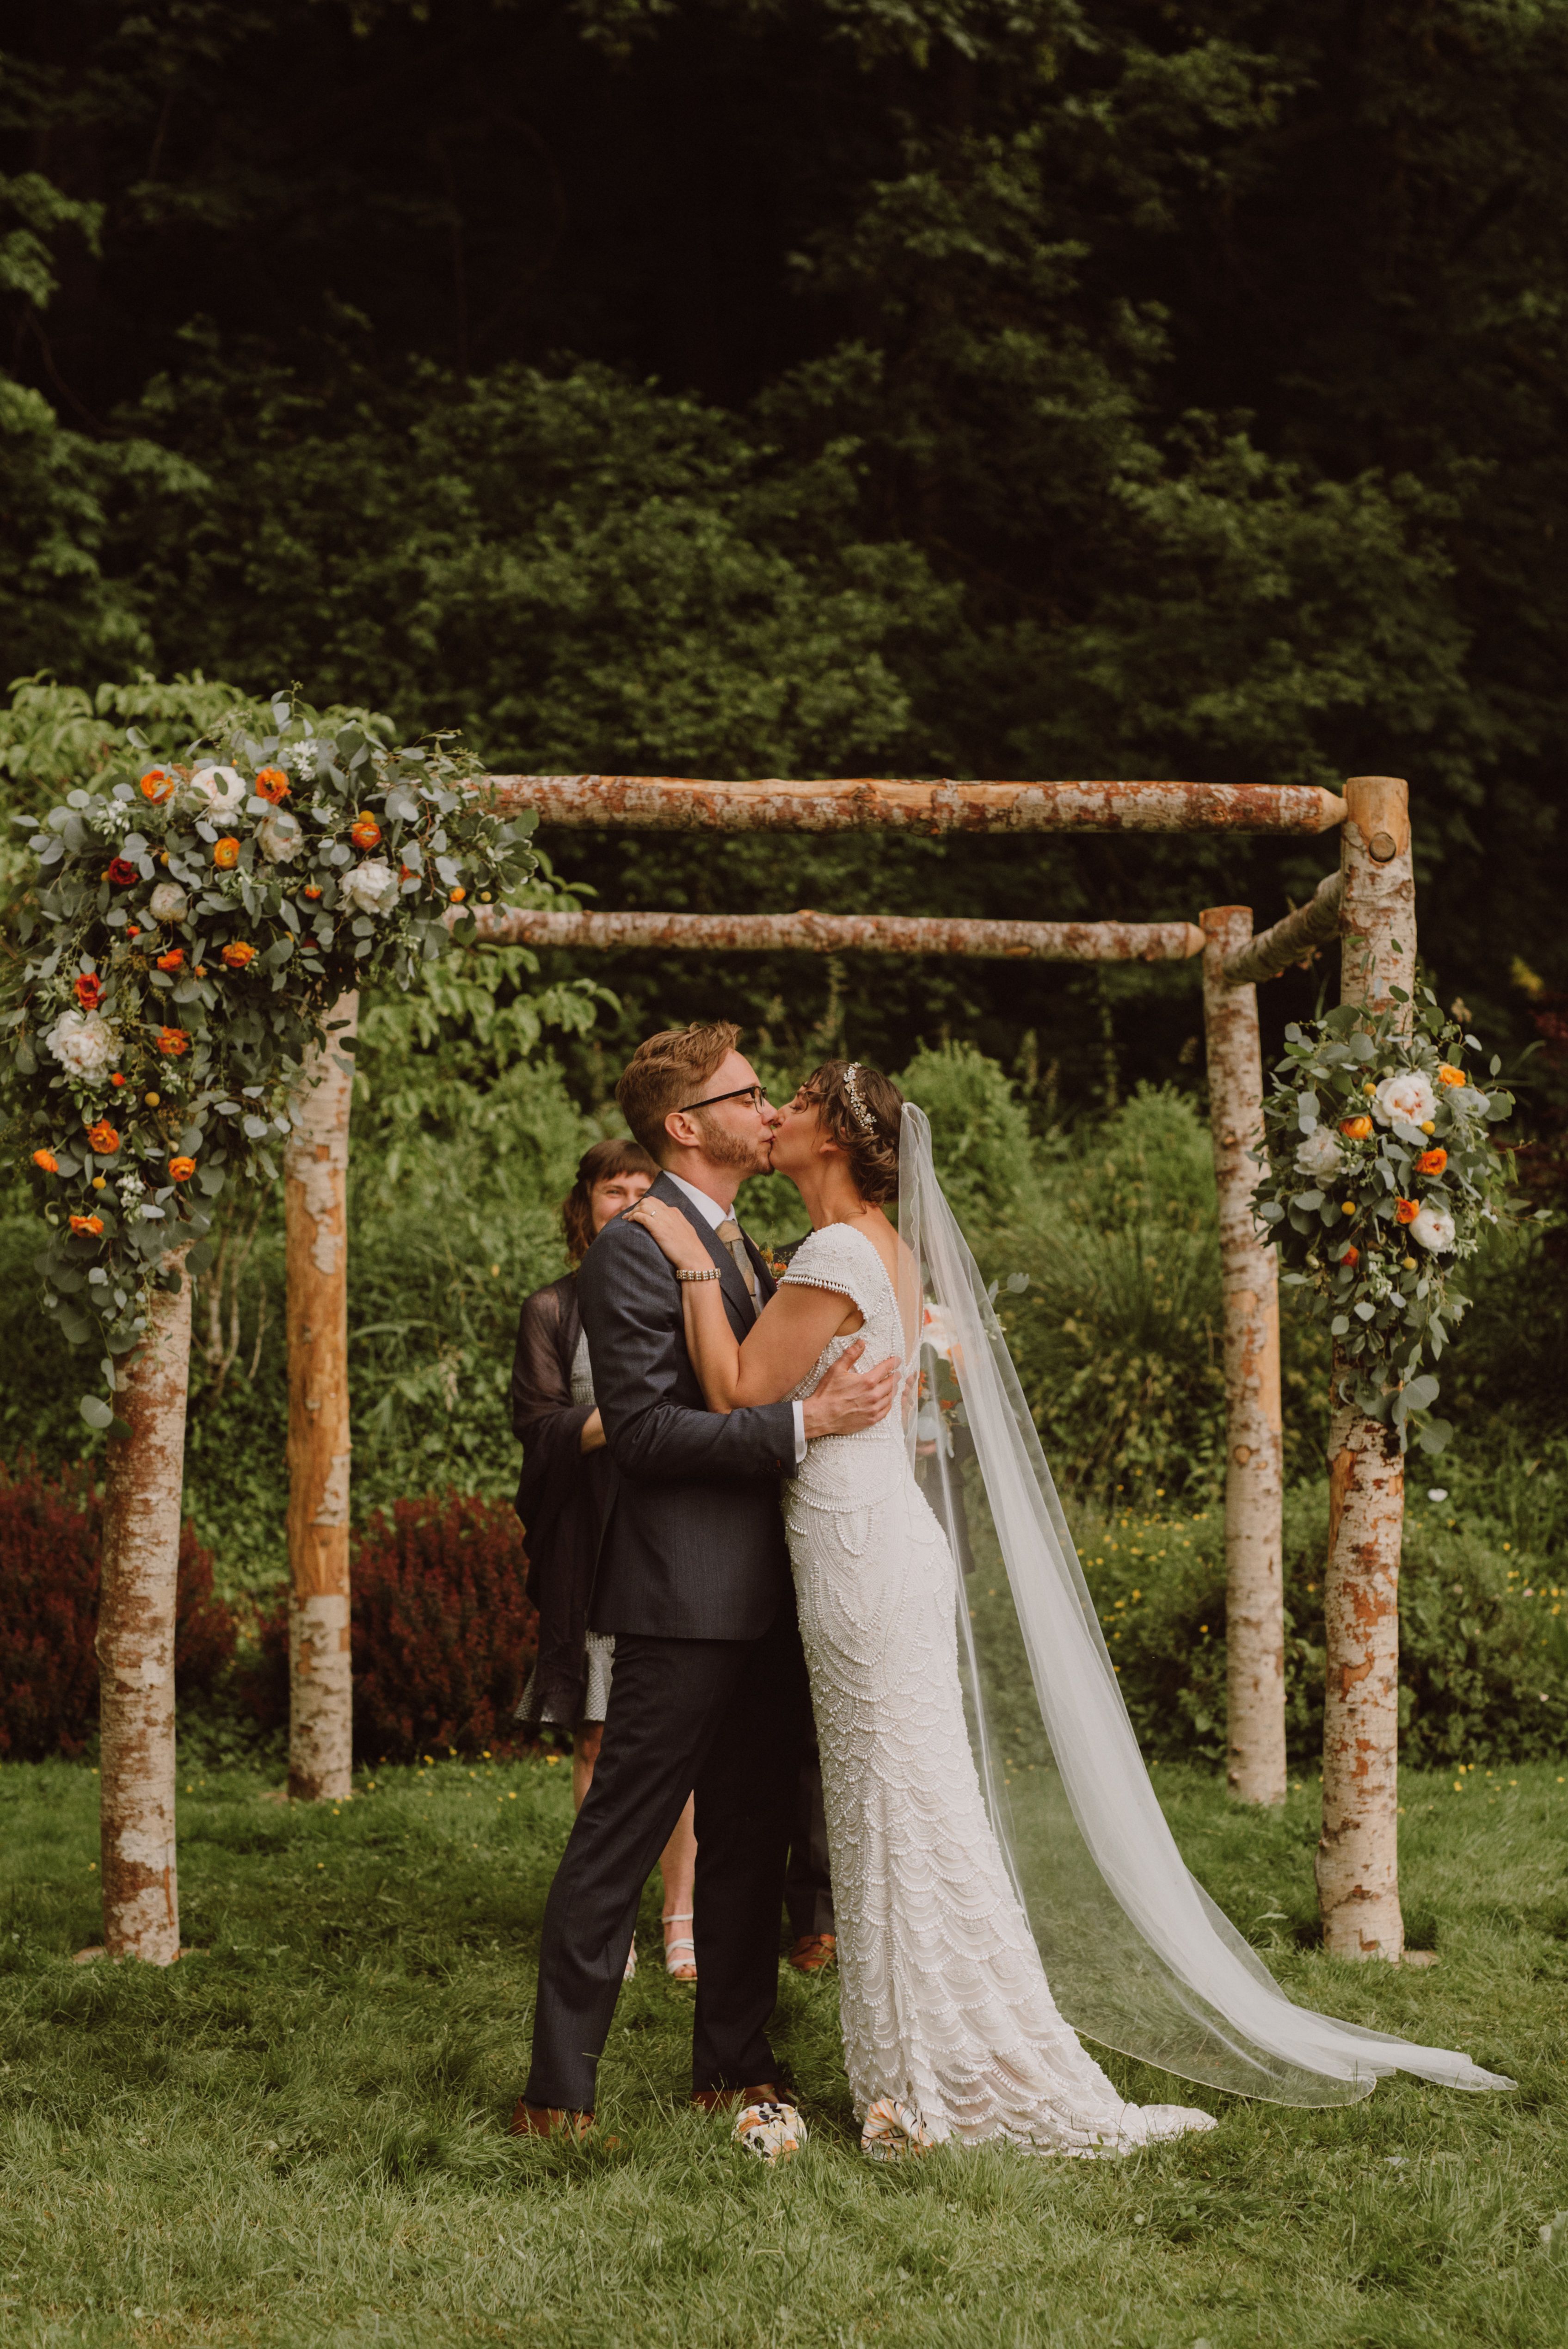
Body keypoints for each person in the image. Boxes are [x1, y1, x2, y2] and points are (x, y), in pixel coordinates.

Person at [626, 1058, 1515, 2159]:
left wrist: (693, 1276)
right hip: (869, 1542)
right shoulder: (881, 1252)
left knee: (897, 1804)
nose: (773, 1118)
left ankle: (955, 2068)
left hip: (859, 1550)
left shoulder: (838, 1247)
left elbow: (737, 1393)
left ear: (838, 1141)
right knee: (894, 1805)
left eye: (794, 1104)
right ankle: (922, 2065)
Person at [511, 1024, 900, 2141]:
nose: (767, 1105)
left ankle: (733, 2064)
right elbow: (639, 1433)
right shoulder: (635, 1246)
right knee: (620, 1835)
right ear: (688, 1124)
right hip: (680, 1597)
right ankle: (557, 2091)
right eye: (746, 1092)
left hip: (770, 1594)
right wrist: (803, 1422)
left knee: (749, 1836)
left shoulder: (738, 1241)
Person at [510, 1138, 702, 1981]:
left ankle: (682, 1919)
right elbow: (541, 1426)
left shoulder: (690, 1296)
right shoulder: (553, 1308)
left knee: (677, 1741)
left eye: (641, 1190)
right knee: (595, 1738)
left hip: (672, 1539)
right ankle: (609, 1922)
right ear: (584, 1205)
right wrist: (633, 1414)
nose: (626, 1203)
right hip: (588, 1544)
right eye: (610, 1191)